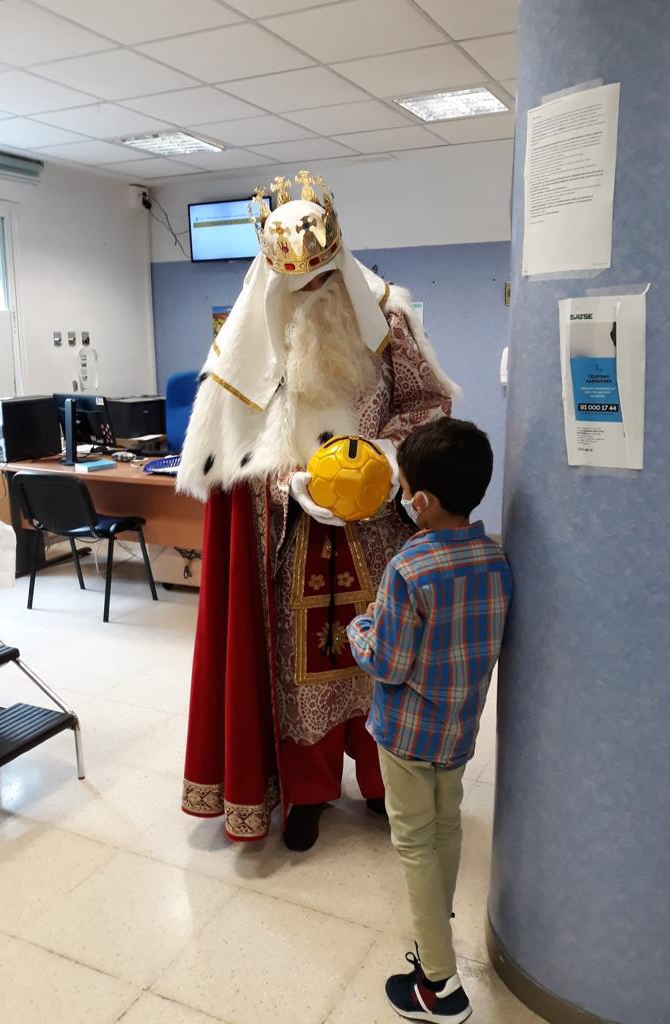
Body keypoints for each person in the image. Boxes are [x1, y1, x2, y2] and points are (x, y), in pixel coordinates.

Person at [177, 170, 459, 851]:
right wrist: (286, 484)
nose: (311, 293)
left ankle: (385, 784)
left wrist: (388, 465)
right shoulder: (248, 344)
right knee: (301, 678)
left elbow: (428, 406)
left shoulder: (387, 318)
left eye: (322, 277)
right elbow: (232, 447)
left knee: (385, 665)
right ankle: (307, 795)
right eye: (296, 283)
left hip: (380, 534)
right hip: (293, 537)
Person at [347, 418, 513, 1022]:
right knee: (446, 828)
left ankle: (439, 987)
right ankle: (433, 940)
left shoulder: (408, 569)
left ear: (420, 501)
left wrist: (359, 627)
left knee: (414, 843)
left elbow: (386, 663)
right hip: (459, 728)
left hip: (408, 733)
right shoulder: (495, 559)